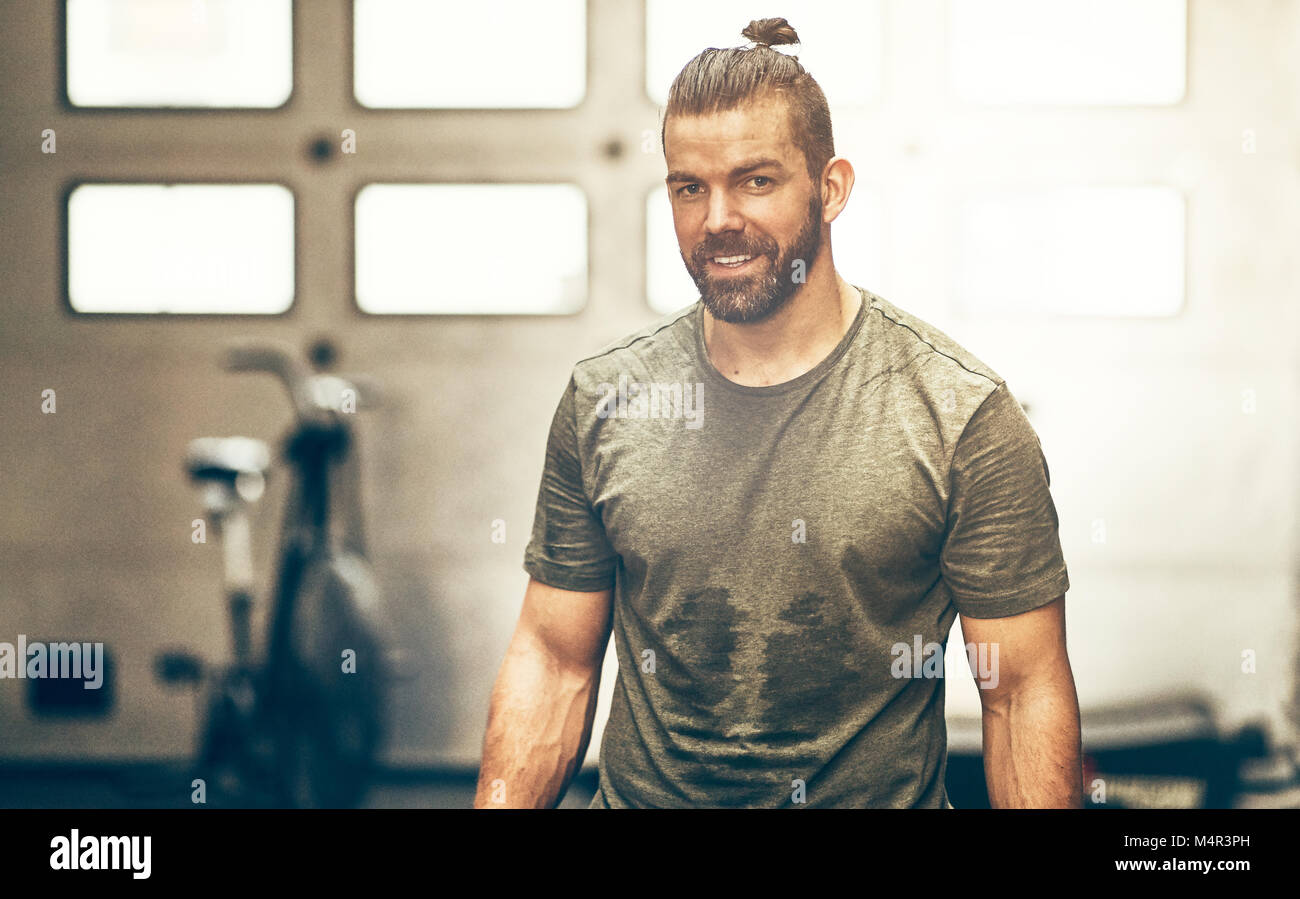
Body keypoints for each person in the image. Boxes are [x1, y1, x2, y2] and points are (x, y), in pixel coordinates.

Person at [474, 17, 1081, 809]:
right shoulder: (607, 401)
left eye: (754, 180)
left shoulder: (959, 414)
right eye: (690, 187)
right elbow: (555, 661)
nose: (717, 217)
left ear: (830, 188)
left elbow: (1021, 691)